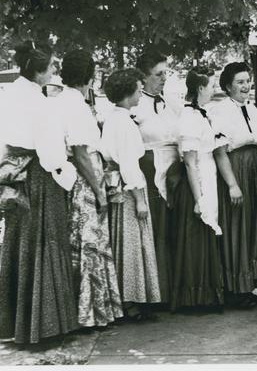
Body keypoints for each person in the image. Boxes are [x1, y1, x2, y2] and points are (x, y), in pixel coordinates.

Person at [0, 40, 78, 343]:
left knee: (20, 245)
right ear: (39, 72)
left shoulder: (10, 94)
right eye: (52, 66)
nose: (55, 70)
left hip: (15, 173)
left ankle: (19, 325)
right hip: (39, 176)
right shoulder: (40, 103)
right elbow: (51, 151)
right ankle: (44, 325)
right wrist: (65, 171)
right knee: (46, 241)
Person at [55, 49, 123, 327]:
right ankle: (89, 311)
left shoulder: (62, 101)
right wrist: (98, 190)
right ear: (89, 76)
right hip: (85, 180)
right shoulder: (76, 106)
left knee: (80, 246)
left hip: (75, 177)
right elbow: (82, 153)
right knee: (89, 247)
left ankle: (89, 309)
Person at [100, 68, 161, 321]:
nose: (140, 93)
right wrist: (139, 199)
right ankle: (132, 301)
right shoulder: (123, 122)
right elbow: (128, 163)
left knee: (127, 243)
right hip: (128, 189)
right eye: (137, 89)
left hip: (119, 185)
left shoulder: (115, 117)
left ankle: (131, 299)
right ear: (128, 93)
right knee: (133, 244)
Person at [205, 62, 257, 308]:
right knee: (236, 225)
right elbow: (219, 151)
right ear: (228, 86)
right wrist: (232, 184)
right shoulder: (220, 111)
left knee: (251, 225)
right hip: (235, 169)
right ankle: (234, 288)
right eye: (240, 82)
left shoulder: (252, 109)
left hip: (253, 170)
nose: (246, 86)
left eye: (248, 80)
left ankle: (250, 283)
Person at [168, 66, 225, 311]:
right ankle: (194, 296)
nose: (214, 89)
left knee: (205, 236)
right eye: (212, 85)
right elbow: (190, 162)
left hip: (208, 176)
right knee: (195, 237)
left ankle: (206, 294)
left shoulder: (201, 114)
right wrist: (198, 197)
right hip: (197, 180)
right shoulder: (190, 118)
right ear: (200, 88)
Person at [133, 50, 179, 304]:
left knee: (174, 231)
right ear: (144, 77)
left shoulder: (169, 103)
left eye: (165, 74)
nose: (163, 79)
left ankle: (174, 289)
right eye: (158, 74)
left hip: (176, 172)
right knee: (157, 231)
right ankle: (156, 291)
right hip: (150, 172)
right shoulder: (136, 105)